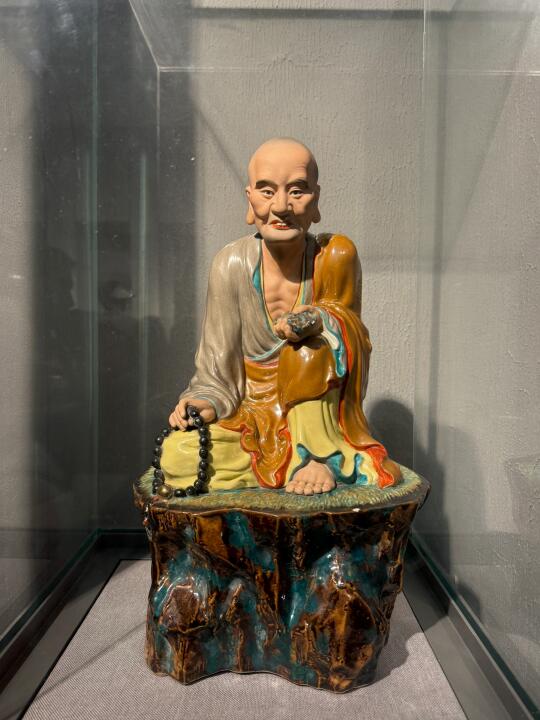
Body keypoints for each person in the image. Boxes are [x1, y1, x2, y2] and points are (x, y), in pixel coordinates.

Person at [161, 138, 401, 495]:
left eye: (297, 191)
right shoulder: (230, 264)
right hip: (251, 412)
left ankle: (316, 457)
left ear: (316, 200)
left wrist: (316, 321)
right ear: (250, 199)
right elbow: (216, 364)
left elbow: (352, 336)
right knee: (177, 455)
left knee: (309, 348)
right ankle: (282, 464)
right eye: (267, 191)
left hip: (317, 416)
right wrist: (204, 401)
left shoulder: (334, 255)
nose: (281, 206)